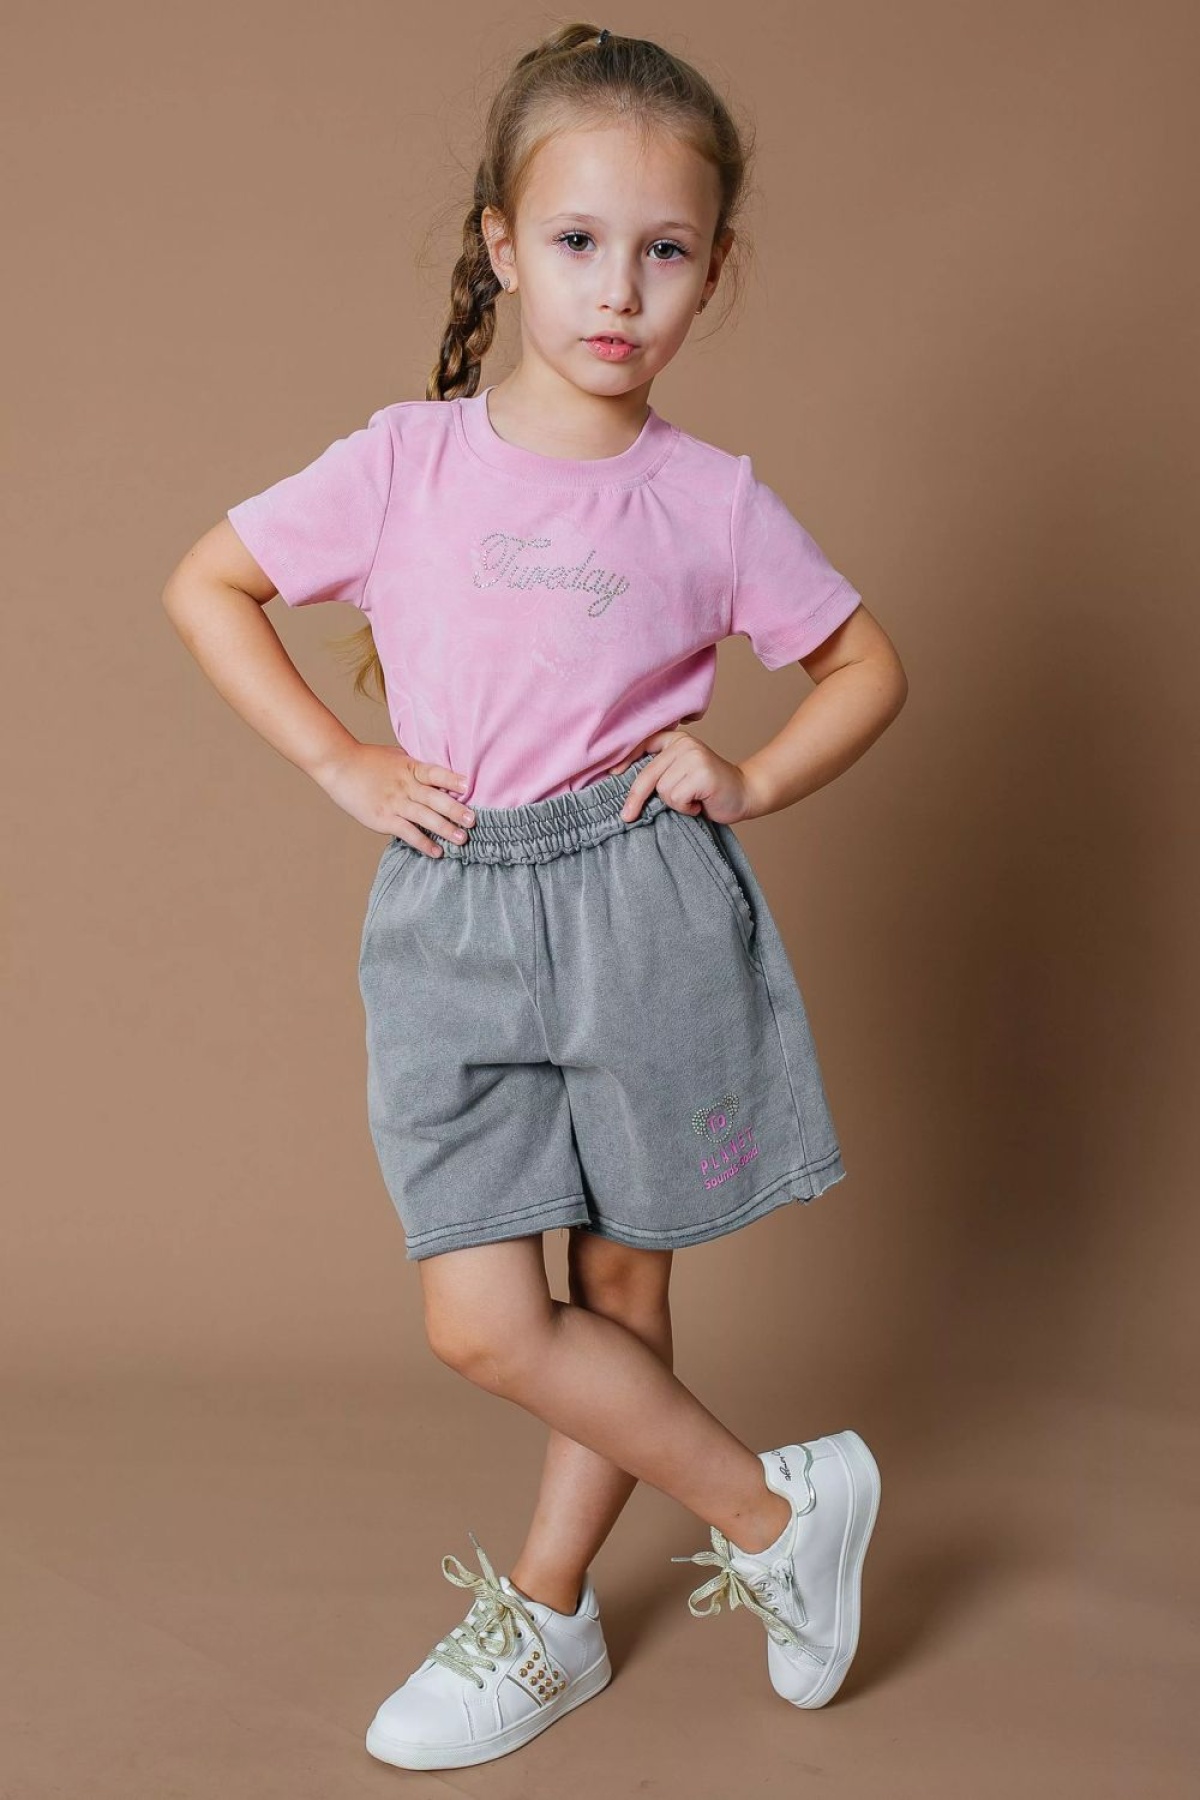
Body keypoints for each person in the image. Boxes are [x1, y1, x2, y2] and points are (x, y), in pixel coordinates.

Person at [163, 20, 908, 1776]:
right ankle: (778, 1512)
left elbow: (867, 665)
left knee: (622, 1295)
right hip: (456, 914)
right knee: (483, 1317)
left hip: (643, 904)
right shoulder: (404, 462)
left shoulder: (711, 500)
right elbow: (209, 582)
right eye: (578, 241)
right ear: (501, 244)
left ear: (714, 270)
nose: (619, 290)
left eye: (667, 251)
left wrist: (751, 776)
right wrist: (340, 761)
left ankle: (549, 1612)